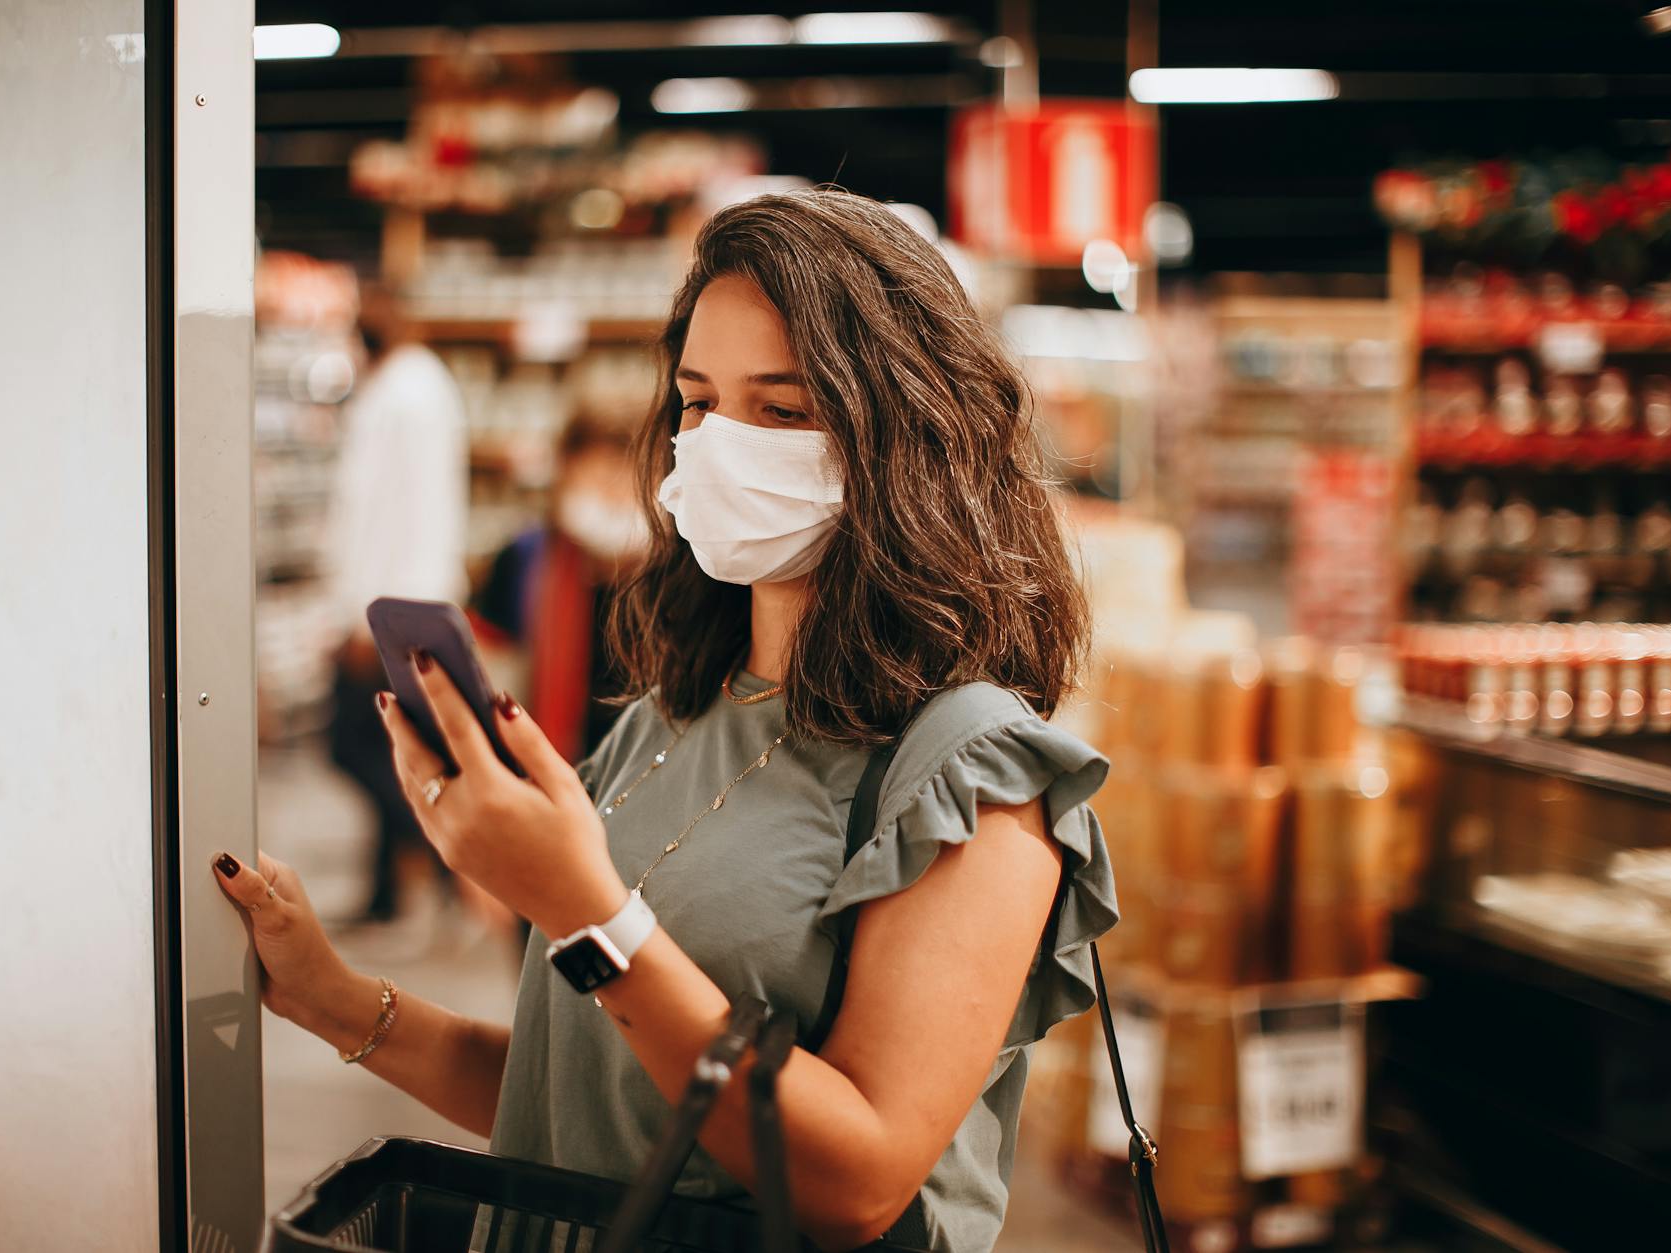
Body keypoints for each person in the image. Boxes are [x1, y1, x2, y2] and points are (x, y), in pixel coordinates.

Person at [215, 190, 1116, 1252]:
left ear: (905, 437)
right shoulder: (667, 717)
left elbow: (858, 1178)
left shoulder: (972, 770)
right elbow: (598, 1101)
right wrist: (333, 997)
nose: (720, 443)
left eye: (782, 410)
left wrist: (586, 908)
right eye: (696, 402)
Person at [321, 289, 468, 922]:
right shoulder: (408, 388)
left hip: (393, 609)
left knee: (352, 744)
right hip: (395, 603)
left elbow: (401, 516)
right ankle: (388, 891)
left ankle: (449, 859)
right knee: (386, 745)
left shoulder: (408, 394)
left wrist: (370, 616)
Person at [471, 411, 645, 762]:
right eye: (603, 471)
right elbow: (487, 677)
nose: (618, 489)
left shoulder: (679, 575)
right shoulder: (525, 558)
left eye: (634, 471)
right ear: (567, 470)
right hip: (544, 766)